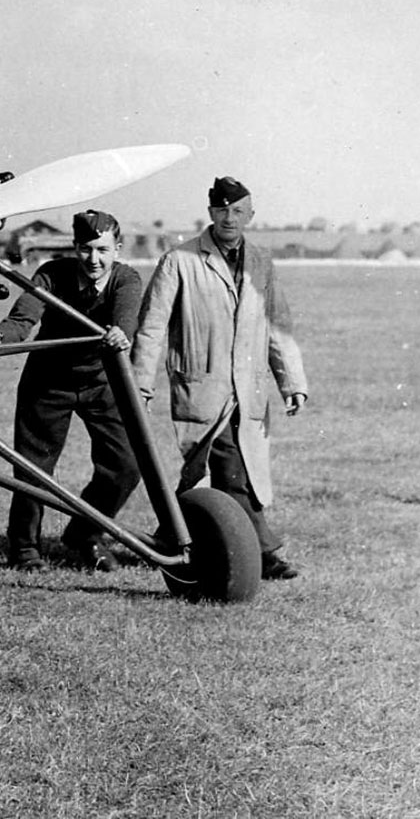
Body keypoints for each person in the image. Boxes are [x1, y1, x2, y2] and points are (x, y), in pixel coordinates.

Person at [130, 176, 310, 580]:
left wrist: (292, 382)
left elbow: (277, 324)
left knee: (223, 469)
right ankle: (262, 554)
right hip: (203, 385)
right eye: (223, 210)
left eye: (239, 211)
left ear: (250, 215)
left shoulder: (262, 263)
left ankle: (169, 539)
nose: (230, 219)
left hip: (249, 388)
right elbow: (152, 327)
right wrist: (140, 385)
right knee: (229, 467)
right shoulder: (179, 261)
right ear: (210, 212)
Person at [0, 209, 144, 573]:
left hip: (102, 382)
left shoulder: (127, 280)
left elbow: (126, 319)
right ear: (75, 248)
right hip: (48, 381)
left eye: (102, 250)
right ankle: (24, 549)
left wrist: (121, 332)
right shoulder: (52, 274)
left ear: (117, 248)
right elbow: (24, 317)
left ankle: (85, 532)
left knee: (125, 466)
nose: (94, 259)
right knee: (33, 468)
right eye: (85, 250)